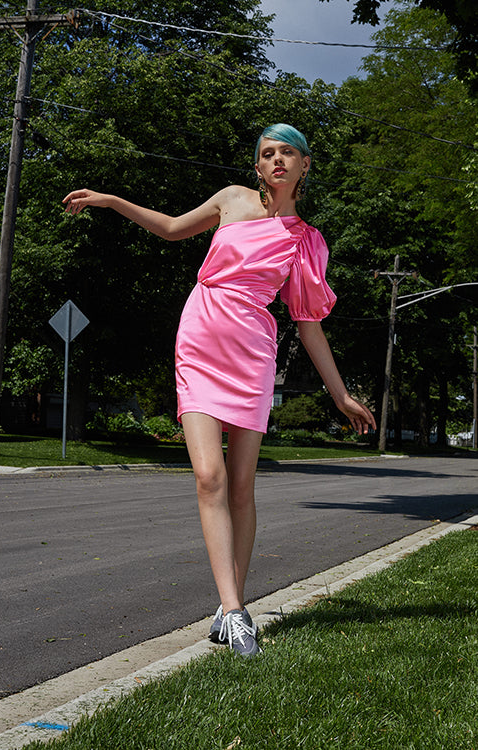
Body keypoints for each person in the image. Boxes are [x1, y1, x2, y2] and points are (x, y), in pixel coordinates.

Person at [63, 123, 376, 658]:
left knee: (240, 484)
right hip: (202, 334)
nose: (276, 160)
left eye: (288, 153)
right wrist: (113, 201)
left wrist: (341, 395)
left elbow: (309, 324)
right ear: (257, 167)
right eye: (267, 153)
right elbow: (168, 228)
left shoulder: (307, 241)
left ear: (305, 166)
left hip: (254, 351)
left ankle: (231, 602)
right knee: (209, 475)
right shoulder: (231, 200)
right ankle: (234, 612)